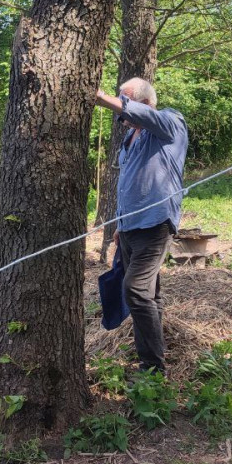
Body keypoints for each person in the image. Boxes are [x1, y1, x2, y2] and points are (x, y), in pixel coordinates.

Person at [95, 78, 189, 375]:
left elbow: (147, 117)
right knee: (151, 294)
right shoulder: (128, 139)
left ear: (145, 103)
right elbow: (128, 182)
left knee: (134, 290)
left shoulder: (170, 123)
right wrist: (120, 222)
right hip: (130, 227)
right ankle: (154, 363)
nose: (119, 113)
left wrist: (100, 97)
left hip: (154, 224)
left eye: (124, 103)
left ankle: (152, 367)